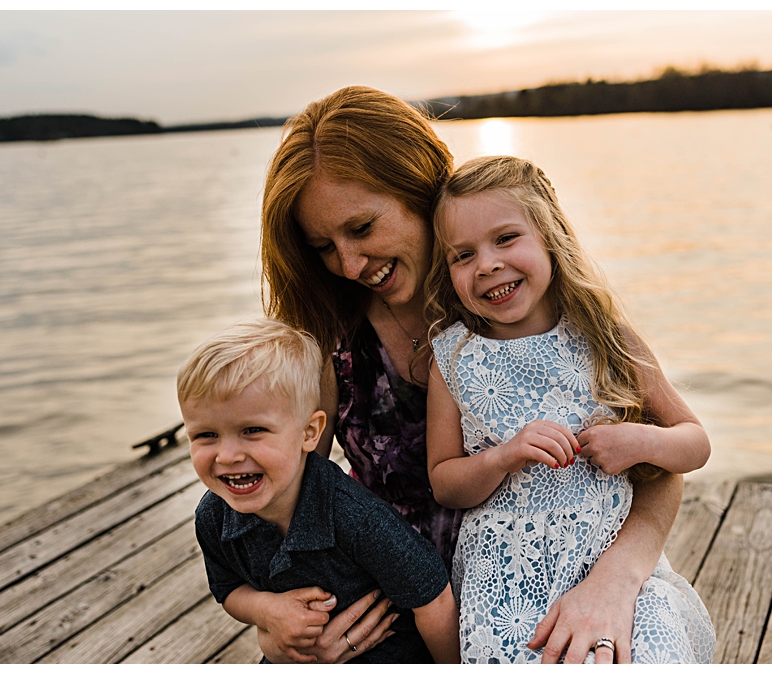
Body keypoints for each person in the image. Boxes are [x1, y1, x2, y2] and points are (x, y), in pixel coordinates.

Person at [260, 85, 691, 664]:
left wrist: (615, 582)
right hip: (395, 610)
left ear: (419, 191)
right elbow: (285, 491)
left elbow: (660, 464)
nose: (351, 265)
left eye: (362, 228)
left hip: (562, 584)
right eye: (324, 247)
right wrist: (274, 615)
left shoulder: (534, 314)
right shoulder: (331, 345)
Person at [424, 155, 715, 663]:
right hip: (506, 577)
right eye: (462, 255)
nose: (487, 264)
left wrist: (641, 441)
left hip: (609, 555)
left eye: (506, 238)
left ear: (550, 235)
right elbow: (444, 480)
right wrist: (502, 456)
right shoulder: (453, 358)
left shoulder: (606, 335)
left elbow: (695, 442)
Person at [178, 317, 460, 664]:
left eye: (252, 430)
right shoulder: (214, 515)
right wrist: (267, 610)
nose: (228, 456)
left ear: (309, 433)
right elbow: (228, 589)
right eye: (206, 435)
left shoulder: (355, 516)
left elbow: (434, 598)